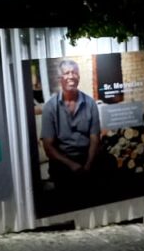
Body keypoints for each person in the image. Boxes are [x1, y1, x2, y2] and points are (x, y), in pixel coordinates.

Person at [41, 59, 101, 190]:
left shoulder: (90, 103)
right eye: (67, 73)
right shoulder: (50, 107)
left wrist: (88, 165)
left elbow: (95, 139)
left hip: (87, 157)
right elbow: (48, 146)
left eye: (74, 73)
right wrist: (72, 165)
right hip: (62, 160)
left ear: (78, 77)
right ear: (60, 78)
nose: (71, 76)